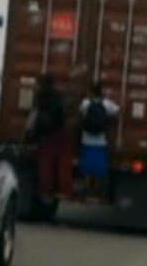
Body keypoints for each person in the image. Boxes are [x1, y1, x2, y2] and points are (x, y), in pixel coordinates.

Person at [27, 73, 70, 204]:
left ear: (42, 84)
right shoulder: (59, 96)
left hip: (46, 136)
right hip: (60, 134)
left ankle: (46, 193)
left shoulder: (40, 97)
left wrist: (29, 136)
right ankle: (63, 191)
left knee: (45, 166)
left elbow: (34, 117)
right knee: (61, 164)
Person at [78, 82, 119, 190]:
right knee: (98, 168)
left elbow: (80, 112)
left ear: (90, 92)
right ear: (101, 92)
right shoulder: (106, 103)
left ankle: (87, 188)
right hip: (100, 141)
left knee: (87, 168)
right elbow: (117, 110)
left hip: (86, 140)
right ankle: (97, 189)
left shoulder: (85, 103)